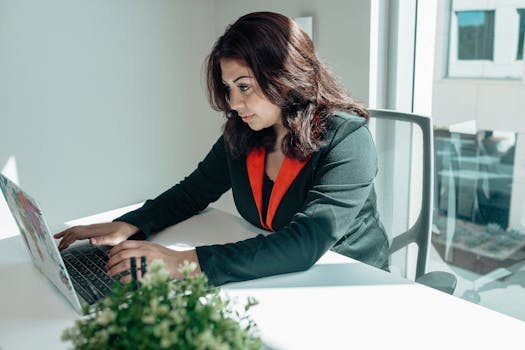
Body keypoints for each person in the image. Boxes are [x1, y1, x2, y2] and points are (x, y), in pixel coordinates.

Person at [54, 11, 389, 286]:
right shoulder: (245, 131)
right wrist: (129, 225)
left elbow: (305, 243)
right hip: (277, 276)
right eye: (229, 88)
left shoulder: (348, 139)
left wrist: (184, 262)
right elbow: (192, 193)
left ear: (287, 76)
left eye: (244, 87)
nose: (234, 103)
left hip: (349, 281)